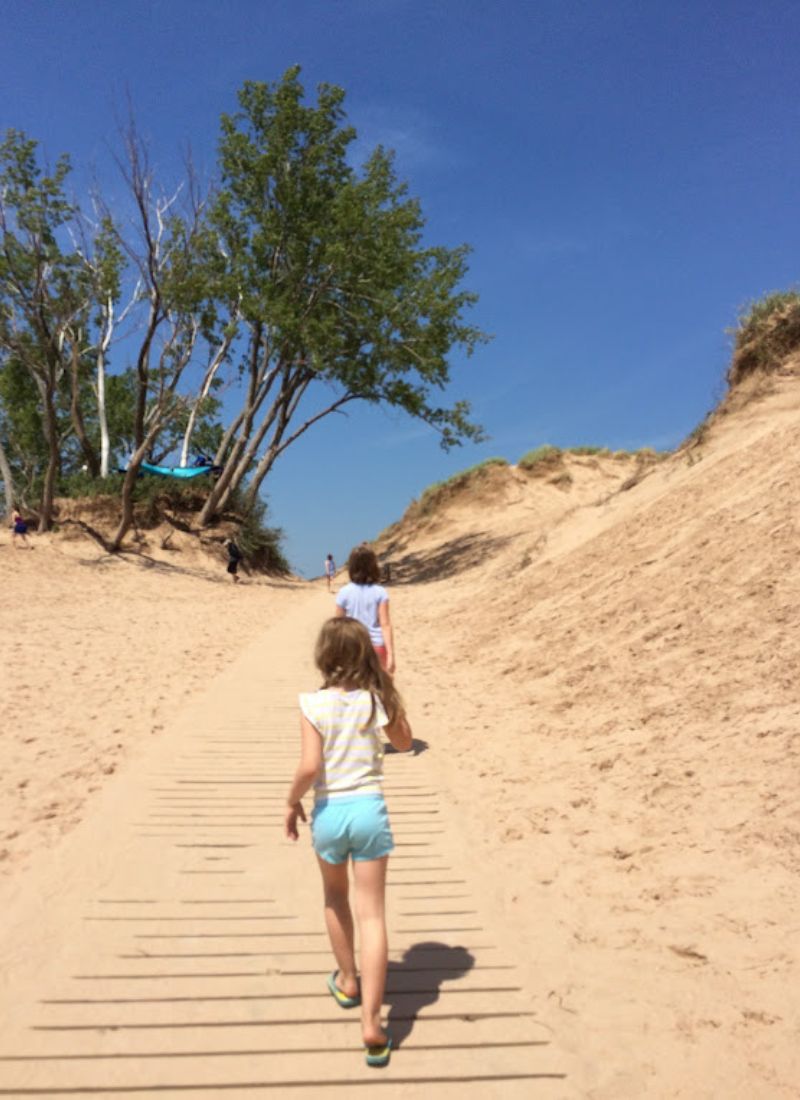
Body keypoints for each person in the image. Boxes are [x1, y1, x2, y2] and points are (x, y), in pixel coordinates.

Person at [284, 617, 413, 1068]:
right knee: (373, 913)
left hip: (330, 813)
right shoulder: (376, 701)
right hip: (369, 812)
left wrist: (290, 802)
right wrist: (389, 694)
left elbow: (308, 766)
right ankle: (373, 1024)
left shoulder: (312, 704)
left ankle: (347, 979)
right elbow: (405, 741)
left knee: (334, 897)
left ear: (325, 655)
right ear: (363, 655)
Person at [335, 545, 395, 673]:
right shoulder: (380, 592)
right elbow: (385, 625)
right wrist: (390, 654)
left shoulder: (344, 593)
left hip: (353, 647)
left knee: (355, 690)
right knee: (379, 689)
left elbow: (338, 626)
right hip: (377, 647)